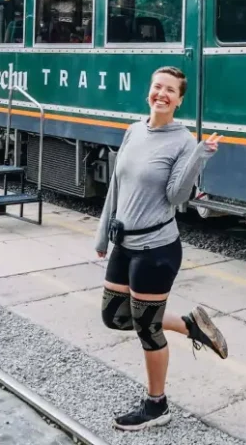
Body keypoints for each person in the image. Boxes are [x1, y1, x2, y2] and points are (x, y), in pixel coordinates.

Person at [94, 65, 228, 431]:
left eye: (170, 90)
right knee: (115, 316)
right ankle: (190, 326)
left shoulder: (183, 142)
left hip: (157, 248)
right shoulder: (134, 131)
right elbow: (116, 188)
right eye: (157, 87)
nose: (162, 94)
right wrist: (102, 236)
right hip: (124, 243)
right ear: (149, 91)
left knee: (147, 330)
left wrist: (200, 156)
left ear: (179, 100)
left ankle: (157, 406)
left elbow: (176, 196)